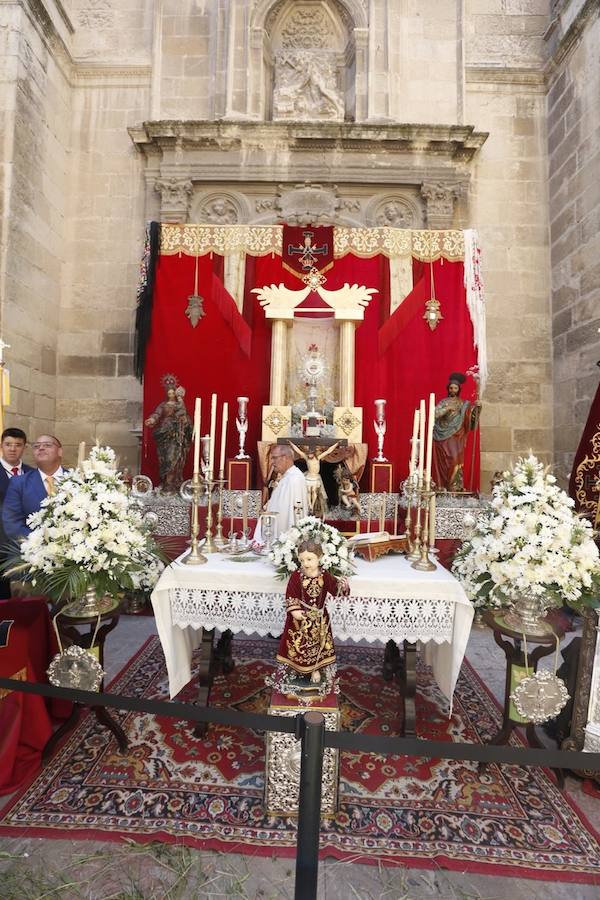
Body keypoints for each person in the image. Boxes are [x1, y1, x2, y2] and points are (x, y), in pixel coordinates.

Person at [276, 539, 349, 684]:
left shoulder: (324, 575)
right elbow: (291, 594)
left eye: (309, 559)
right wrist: (295, 611)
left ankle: (315, 668)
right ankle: (297, 667)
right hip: (300, 619)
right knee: (300, 644)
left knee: (317, 645)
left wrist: (342, 586)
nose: (306, 564)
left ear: (320, 557)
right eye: (302, 560)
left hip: (320, 618)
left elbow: (335, 590)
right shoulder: (297, 576)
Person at [3, 435, 65, 540]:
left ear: (60, 451)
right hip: (33, 550)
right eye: (36, 446)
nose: (41, 448)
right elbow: (12, 523)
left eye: (47, 445)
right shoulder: (19, 483)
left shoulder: (77, 480)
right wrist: (39, 543)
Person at [432, 372, 481, 492]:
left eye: (455, 388)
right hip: (443, 437)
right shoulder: (444, 402)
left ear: (459, 389)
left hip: (457, 436)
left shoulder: (464, 404)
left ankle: (455, 486)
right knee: (445, 462)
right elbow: (434, 414)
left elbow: (470, 417)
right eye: (451, 388)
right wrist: (446, 408)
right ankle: (443, 486)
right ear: (448, 389)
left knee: (455, 459)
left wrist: (476, 408)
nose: (453, 390)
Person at [144, 374, 193, 492]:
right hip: (165, 434)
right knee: (166, 459)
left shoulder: (179, 405)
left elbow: (183, 415)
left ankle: (173, 483)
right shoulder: (163, 405)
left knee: (175, 458)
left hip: (177, 436)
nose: (171, 395)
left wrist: (181, 398)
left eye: (173, 393)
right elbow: (157, 414)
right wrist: (152, 419)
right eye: (169, 393)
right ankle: (167, 483)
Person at [0, 428, 33, 597]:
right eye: (8, 444)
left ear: (24, 448)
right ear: (1, 446)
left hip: (28, 542)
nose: (12, 449)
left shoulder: (32, 473)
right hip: (1, 542)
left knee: (28, 592)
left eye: (18, 445)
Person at [254, 445, 307, 543]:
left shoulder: (294, 479)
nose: (272, 462)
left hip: (285, 537)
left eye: (274, 458)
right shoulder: (287, 477)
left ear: (285, 458)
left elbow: (292, 513)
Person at [288, 441, 339, 517]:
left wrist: (336, 444)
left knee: (314, 491)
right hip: (309, 477)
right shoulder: (306, 458)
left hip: (315, 478)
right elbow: (298, 451)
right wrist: (291, 443)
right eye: (308, 454)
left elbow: (328, 451)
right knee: (309, 492)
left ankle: (312, 505)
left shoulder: (318, 458)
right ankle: (310, 506)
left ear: (313, 453)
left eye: (310, 454)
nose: (309, 455)